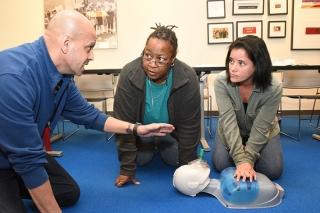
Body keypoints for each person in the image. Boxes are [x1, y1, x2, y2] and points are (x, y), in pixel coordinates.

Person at [0, 10, 174, 213]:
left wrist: (136, 129)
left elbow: (89, 115)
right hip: (9, 158)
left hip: (21, 153)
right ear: (66, 44)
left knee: (68, 192)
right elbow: (29, 162)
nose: (92, 55)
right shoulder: (13, 79)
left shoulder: (63, 76)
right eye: (89, 47)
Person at [113, 24, 201, 187]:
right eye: (147, 56)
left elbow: (190, 127)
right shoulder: (129, 74)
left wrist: (186, 169)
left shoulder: (187, 78)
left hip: (171, 133)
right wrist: (127, 169)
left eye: (161, 59)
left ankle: (160, 145)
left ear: (172, 60)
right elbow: (123, 122)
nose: (152, 64)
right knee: (142, 160)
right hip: (141, 132)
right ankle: (149, 146)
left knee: (174, 159)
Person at [212, 35, 283, 182]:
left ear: (257, 65)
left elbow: (262, 128)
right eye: (231, 61)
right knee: (222, 165)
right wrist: (240, 160)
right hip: (230, 129)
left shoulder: (274, 88)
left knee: (272, 170)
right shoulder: (221, 82)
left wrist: (248, 160)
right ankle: (242, 152)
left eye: (241, 63)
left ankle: (249, 153)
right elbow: (228, 122)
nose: (232, 68)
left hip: (263, 130)